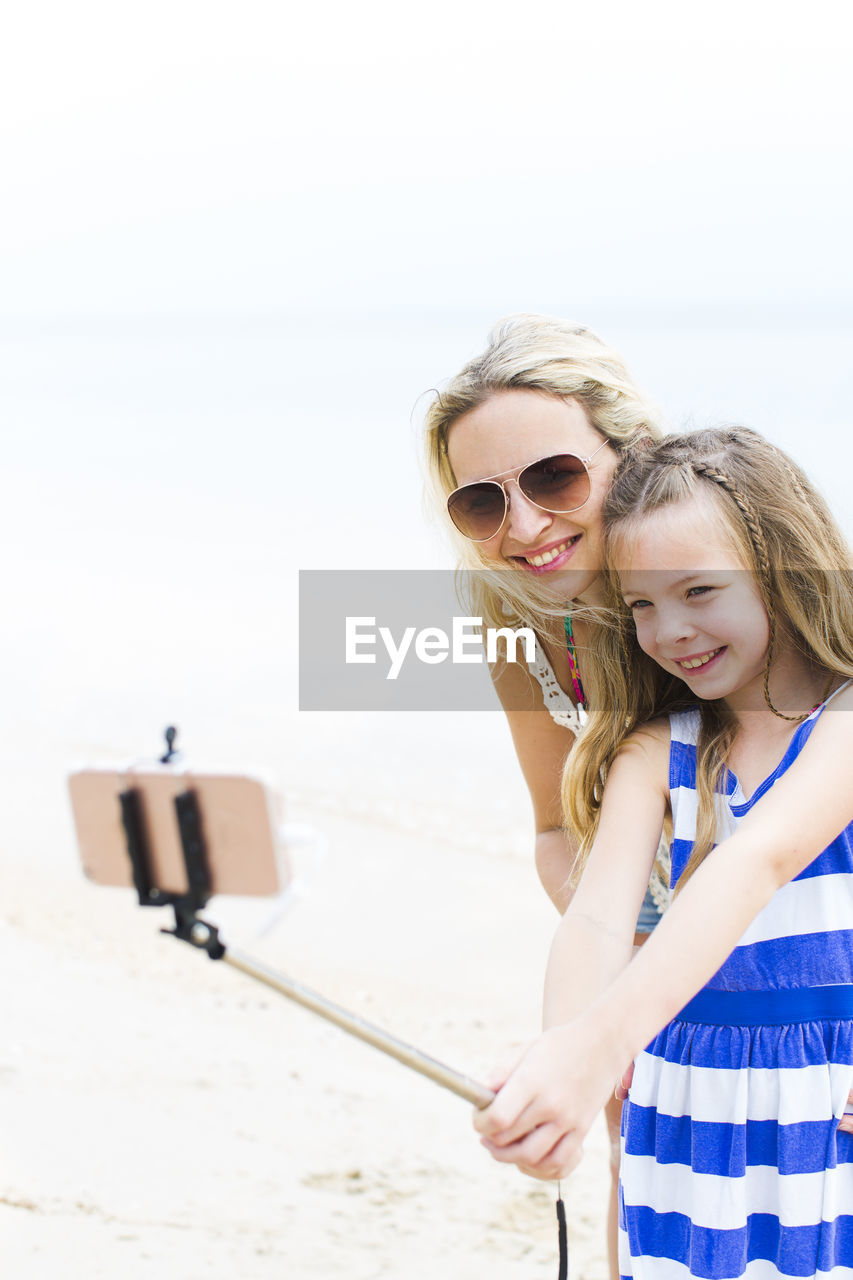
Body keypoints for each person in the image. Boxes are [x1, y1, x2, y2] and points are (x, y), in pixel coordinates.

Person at [473, 426, 853, 1278]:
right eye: (641, 605)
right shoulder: (656, 750)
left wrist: (596, 1045)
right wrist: (562, 1059)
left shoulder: (844, 726)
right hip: (685, 1115)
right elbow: (600, 916)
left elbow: (757, 860)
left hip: (825, 1115)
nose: (669, 630)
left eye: (698, 591)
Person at [422, 313, 669, 1275]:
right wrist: (614, 980)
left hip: (804, 950)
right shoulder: (517, 623)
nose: (522, 527)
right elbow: (555, 830)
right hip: (635, 937)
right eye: (480, 503)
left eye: (554, 478)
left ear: (631, 454)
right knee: (637, 1171)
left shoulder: (725, 597)